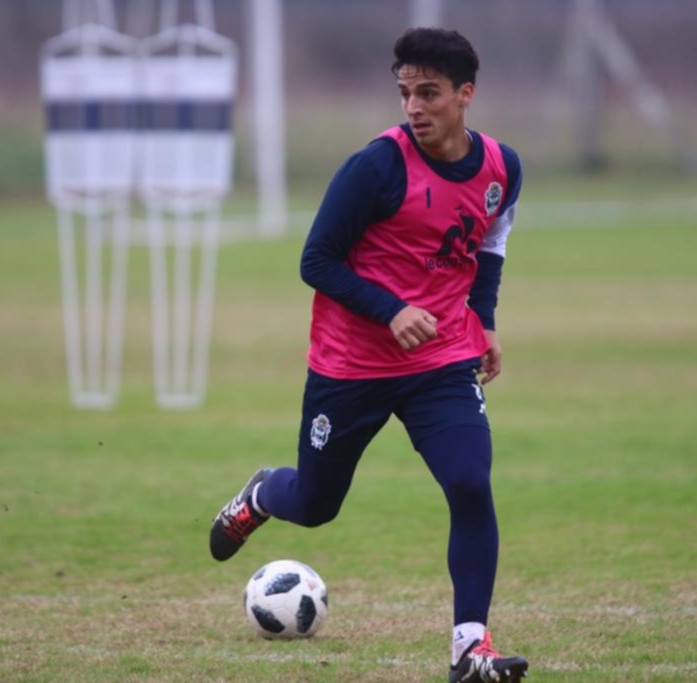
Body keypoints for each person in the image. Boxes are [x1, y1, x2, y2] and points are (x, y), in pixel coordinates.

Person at [209, 27, 528, 682]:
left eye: (429, 93)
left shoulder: (501, 167)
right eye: (406, 92)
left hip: (441, 359)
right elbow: (315, 260)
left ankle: (470, 648)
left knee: (470, 483)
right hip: (350, 365)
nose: (414, 106)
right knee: (318, 503)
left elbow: (490, 242)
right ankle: (264, 493)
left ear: (466, 94)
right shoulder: (376, 167)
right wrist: (391, 309)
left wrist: (485, 321)